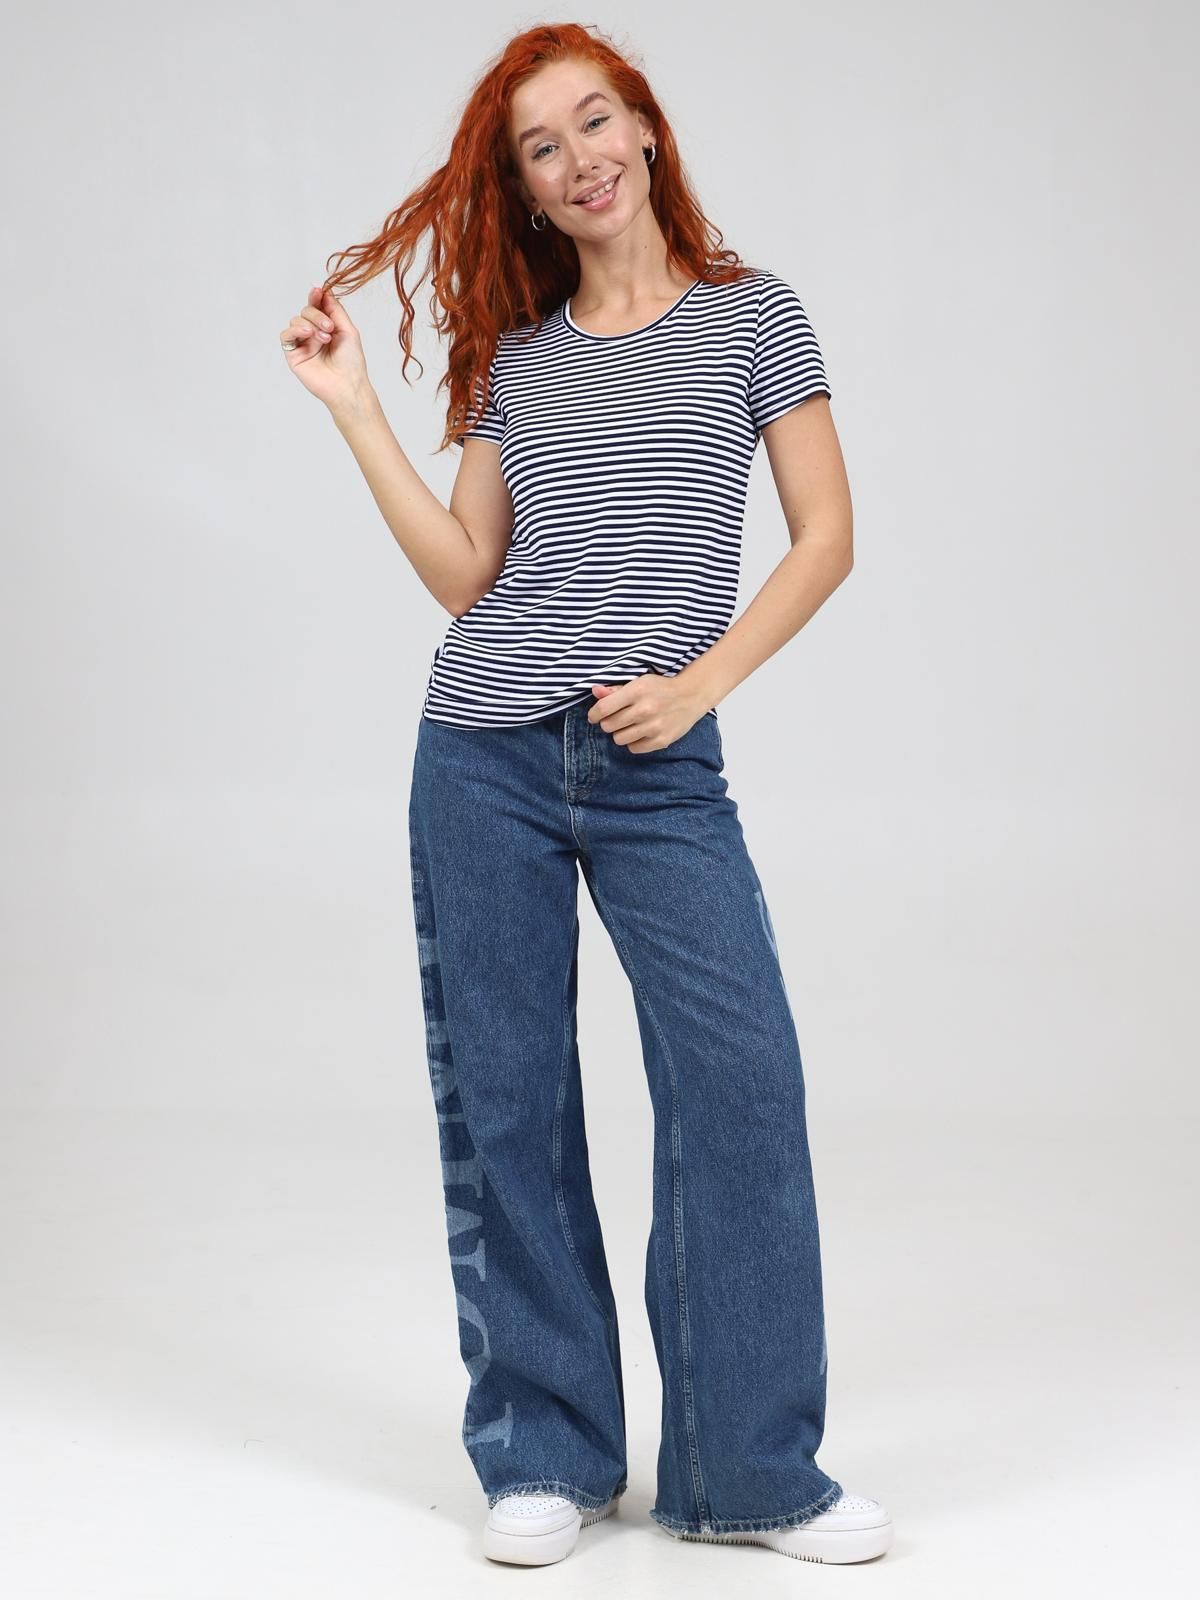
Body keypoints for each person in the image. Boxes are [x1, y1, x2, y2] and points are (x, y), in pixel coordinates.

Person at [279, 20, 892, 1570]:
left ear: (648, 130)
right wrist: (356, 409)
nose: (580, 159)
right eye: (542, 148)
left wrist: (700, 685)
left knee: (740, 1084)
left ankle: (750, 1470)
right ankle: (545, 1451)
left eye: (597, 122)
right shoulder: (517, 356)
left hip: (657, 769)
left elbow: (825, 536)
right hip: (481, 758)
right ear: (529, 190)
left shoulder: (754, 317)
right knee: (512, 1099)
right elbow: (465, 576)